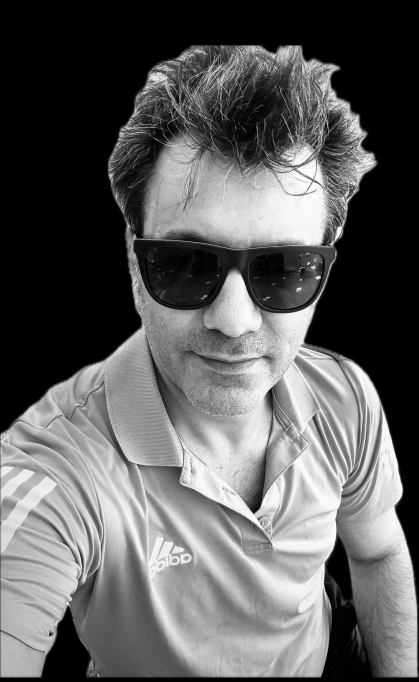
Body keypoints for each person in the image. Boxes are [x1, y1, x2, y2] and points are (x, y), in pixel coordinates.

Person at [1, 44, 417, 678]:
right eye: (187, 264)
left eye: (283, 269)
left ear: (325, 267)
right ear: (134, 261)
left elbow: (379, 551)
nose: (234, 320)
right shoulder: (58, 474)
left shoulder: (345, 397)